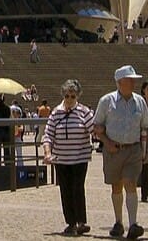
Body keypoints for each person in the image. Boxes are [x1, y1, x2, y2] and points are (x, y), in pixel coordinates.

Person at [93, 65, 148, 239]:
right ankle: (118, 222)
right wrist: (106, 143)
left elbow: (145, 128)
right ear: (120, 82)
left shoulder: (140, 101)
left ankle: (133, 223)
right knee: (116, 185)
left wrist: (145, 151)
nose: (133, 82)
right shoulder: (106, 101)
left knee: (130, 182)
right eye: (130, 79)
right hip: (113, 149)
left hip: (133, 149)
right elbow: (97, 127)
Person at [42, 79, 94, 237]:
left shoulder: (84, 112)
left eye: (72, 96)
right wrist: (47, 153)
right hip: (62, 159)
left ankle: (81, 222)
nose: (69, 99)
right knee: (65, 190)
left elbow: (94, 130)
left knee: (78, 188)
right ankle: (70, 222)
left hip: (79, 158)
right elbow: (48, 135)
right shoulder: (56, 113)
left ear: (77, 96)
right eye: (67, 96)